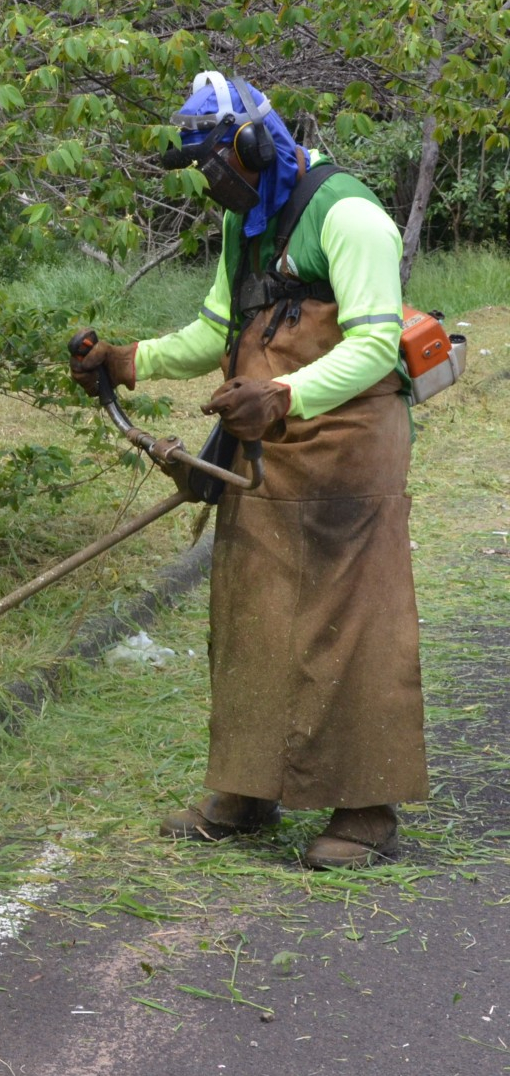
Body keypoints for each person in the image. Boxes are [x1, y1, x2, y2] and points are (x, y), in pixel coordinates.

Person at [69, 71, 425, 870]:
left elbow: (372, 346)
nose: (210, 180)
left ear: (254, 143)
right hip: (268, 444)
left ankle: (366, 809)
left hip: (349, 446)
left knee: (349, 623)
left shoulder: (351, 215)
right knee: (252, 606)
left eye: (214, 161)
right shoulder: (246, 224)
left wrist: (283, 394)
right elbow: (214, 327)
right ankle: (245, 789)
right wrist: (131, 360)